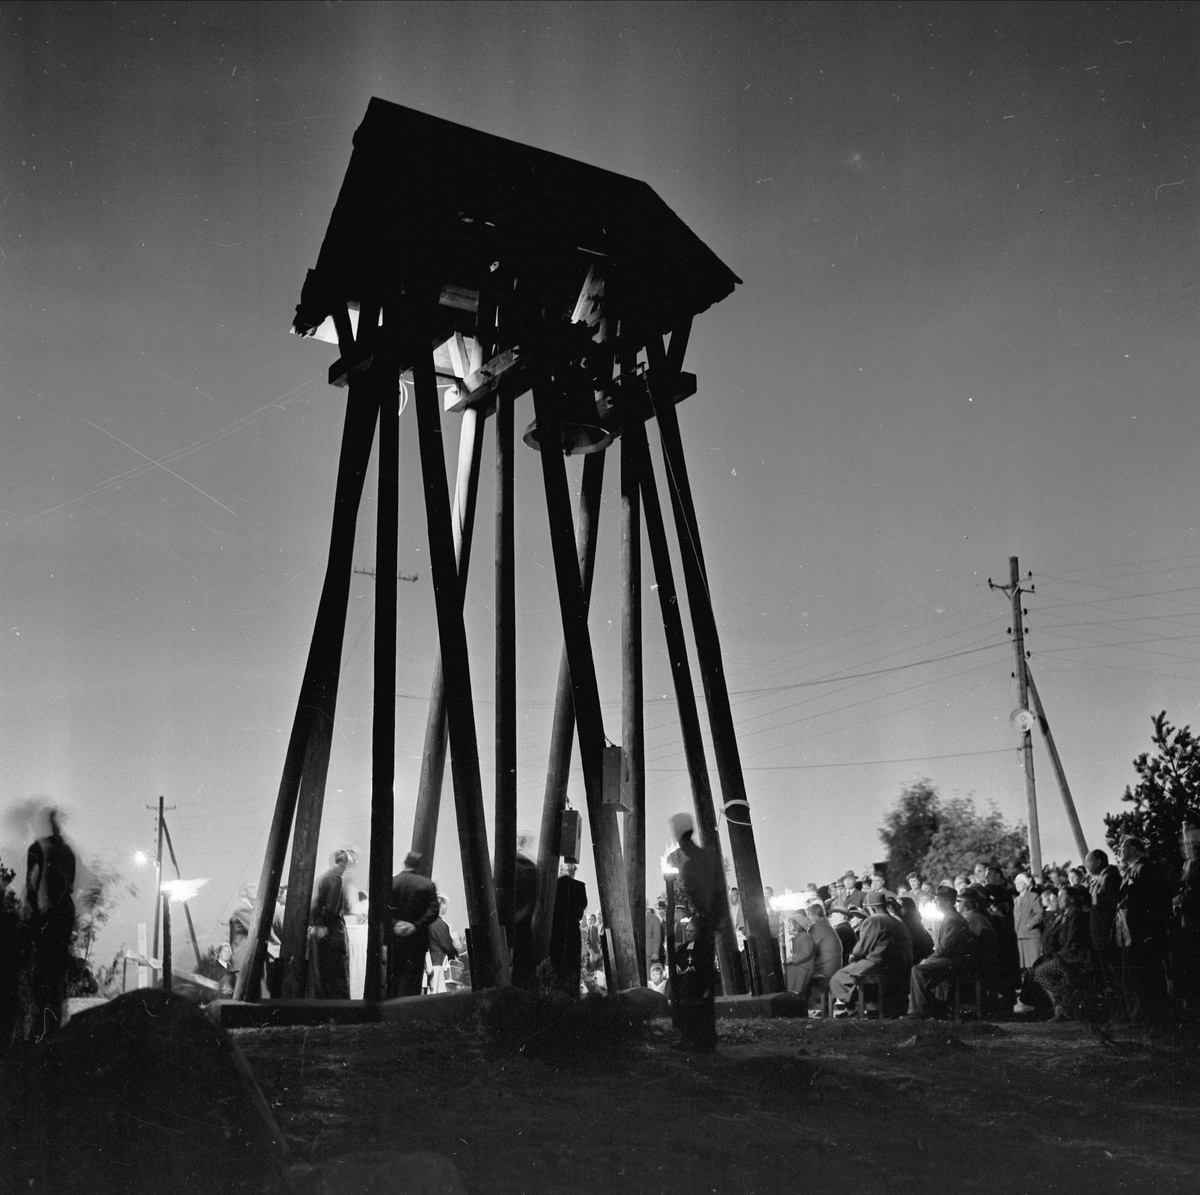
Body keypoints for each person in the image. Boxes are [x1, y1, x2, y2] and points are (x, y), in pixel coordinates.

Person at [667, 811, 726, 1051]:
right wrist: (713, 921)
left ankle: (690, 1035)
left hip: (689, 927)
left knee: (687, 979)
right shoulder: (706, 856)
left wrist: (695, 918)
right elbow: (718, 891)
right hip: (704, 926)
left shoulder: (679, 857)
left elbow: (686, 890)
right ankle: (706, 1035)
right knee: (702, 980)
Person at [830, 890, 912, 1016]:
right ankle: (864, 1006)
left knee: (838, 978)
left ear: (871, 909)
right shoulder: (897, 921)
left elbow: (861, 949)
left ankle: (855, 1008)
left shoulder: (874, 920)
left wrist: (853, 956)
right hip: (898, 966)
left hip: (877, 964)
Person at [1116, 836, 1171, 1020]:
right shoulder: (1128, 871)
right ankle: (1138, 1014)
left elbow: (1151, 900)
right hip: (1128, 932)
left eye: (1123, 847)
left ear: (1133, 849)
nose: (1119, 850)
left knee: (1145, 974)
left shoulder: (1145, 868)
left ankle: (1151, 1015)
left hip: (1142, 932)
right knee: (1133, 974)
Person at [907, 884, 975, 1019]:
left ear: (948, 902)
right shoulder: (950, 917)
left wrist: (929, 959)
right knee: (923, 968)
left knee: (918, 970)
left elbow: (945, 947)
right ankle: (930, 1009)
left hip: (955, 962)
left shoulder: (952, 919)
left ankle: (918, 1011)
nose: (935, 902)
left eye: (938, 900)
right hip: (953, 960)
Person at [388, 851, 441, 998]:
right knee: (413, 979)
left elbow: (382, 909)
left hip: (395, 938)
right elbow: (434, 910)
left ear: (405, 862)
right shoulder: (427, 884)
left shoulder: (391, 882)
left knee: (394, 977)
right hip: (417, 939)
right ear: (419, 866)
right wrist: (416, 925)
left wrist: (395, 924)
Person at [309, 849, 354, 1000]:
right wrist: (325, 925)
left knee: (325, 973)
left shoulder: (322, 878)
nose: (347, 868)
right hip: (333, 932)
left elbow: (315, 906)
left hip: (322, 931)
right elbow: (331, 906)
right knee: (338, 973)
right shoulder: (336, 878)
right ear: (342, 863)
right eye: (346, 863)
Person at [1085, 848, 1122, 1013]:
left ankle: (1120, 1011)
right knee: (1107, 975)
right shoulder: (1099, 879)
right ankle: (1114, 1010)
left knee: (1114, 974)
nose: (1086, 865)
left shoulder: (1110, 877)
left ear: (1098, 861)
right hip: (1099, 936)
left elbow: (1113, 907)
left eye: (1089, 861)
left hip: (1107, 935)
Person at [549, 861, 588, 996]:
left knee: (555, 968)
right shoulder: (579, 887)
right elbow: (580, 912)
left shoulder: (552, 886)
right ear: (573, 871)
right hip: (572, 933)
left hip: (554, 932)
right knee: (571, 970)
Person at [426, 896, 459, 994]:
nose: (446, 908)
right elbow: (447, 946)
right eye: (445, 905)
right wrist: (454, 956)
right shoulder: (439, 923)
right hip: (440, 964)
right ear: (441, 905)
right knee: (442, 992)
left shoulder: (428, 922)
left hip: (430, 963)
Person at [1013, 873, 1044, 973]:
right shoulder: (1016, 900)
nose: (1017, 885)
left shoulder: (1033, 896)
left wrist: (1029, 924)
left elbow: (1039, 913)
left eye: (1019, 883)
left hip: (1031, 935)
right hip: (1020, 935)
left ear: (1025, 884)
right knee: (1024, 966)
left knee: (1034, 964)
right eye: (1016, 884)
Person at [782, 911, 816, 996]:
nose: (787, 927)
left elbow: (806, 953)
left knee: (795, 986)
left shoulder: (805, 937)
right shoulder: (798, 937)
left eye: (790, 925)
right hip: (799, 965)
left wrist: (792, 959)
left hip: (804, 967)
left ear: (797, 926)